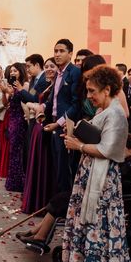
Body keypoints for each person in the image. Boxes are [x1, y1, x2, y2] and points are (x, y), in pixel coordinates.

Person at [61, 65, 131, 262]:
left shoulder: (115, 114)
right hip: (92, 175)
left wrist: (78, 146)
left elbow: (108, 149)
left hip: (101, 182)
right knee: (93, 228)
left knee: (99, 230)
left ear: (108, 89)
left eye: (93, 91)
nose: (90, 96)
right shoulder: (107, 110)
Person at [18, 134, 131, 245]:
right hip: (97, 196)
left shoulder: (127, 165)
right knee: (61, 198)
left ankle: (39, 235)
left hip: (101, 202)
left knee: (60, 201)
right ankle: (36, 232)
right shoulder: (124, 162)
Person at [42, 39, 81, 193]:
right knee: (57, 168)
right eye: (55, 51)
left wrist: (58, 123)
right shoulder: (58, 74)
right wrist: (42, 111)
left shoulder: (74, 72)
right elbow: (53, 99)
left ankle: (65, 209)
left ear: (70, 54)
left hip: (65, 126)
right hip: (52, 123)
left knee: (65, 170)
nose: (57, 54)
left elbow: (76, 103)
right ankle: (58, 205)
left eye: (61, 51)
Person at [20, 58, 58, 214]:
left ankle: (41, 201)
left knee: (43, 166)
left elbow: (36, 101)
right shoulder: (48, 84)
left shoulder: (51, 84)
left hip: (44, 127)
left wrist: (32, 105)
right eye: (47, 66)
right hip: (38, 126)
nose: (49, 69)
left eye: (52, 66)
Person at [2, 63, 28, 191]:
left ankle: (20, 182)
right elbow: (5, 104)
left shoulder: (25, 85)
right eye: (11, 71)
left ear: (21, 72)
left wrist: (18, 89)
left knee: (18, 151)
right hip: (11, 119)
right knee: (13, 150)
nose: (12, 73)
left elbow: (26, 100)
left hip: (20, 120)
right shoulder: (10, 86)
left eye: (15, 71)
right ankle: (13, 181)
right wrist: (4, 92)